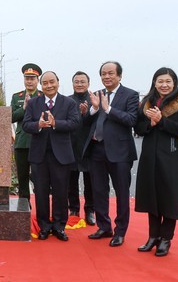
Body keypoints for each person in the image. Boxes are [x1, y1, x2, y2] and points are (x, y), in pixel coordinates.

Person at [134, 68, 178, 256]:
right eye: (160, 81)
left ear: (174, 82)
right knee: (151, 194)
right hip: (150, 155)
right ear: (154, 82)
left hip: (171, 154)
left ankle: (166, 238)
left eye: (168, 81)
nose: (164, 85)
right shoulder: (147, 102)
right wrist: (149, 124)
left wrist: (161, 121)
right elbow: (139, 128)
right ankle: (153, 236)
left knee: (169, 196)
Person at [84, 61, 138, 247]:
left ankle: (120, 231)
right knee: (99, 190)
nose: (107, 77)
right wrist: (93, 109)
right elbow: (86, 122)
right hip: (96, 149)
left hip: (120, 152)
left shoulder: (130, 95)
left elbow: (131, 119)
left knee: (122, 192)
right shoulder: (97, 94)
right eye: (103, 74)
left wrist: (108, 109)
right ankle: (104, 226)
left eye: (111, 73)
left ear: (120, 76)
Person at [23, 71, 80, 241]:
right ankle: (44, 226)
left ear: (58, 82)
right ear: (41, 85)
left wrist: (56, 124)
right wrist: (38, 125)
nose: (49, 86)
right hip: (39, 155)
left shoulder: (68, 102)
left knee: (61, 192)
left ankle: (59, 226)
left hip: (60, 155)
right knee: (40, 192)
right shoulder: (34, 103)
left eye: (52, 82)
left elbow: (75, 123)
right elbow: (26, 124)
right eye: (45, 83)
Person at [11, 63, 43, 203]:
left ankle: (41, 204)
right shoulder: (16, 96)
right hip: (22, 142)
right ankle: (24, 205)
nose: (29, 81)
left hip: (39, 141)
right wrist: (24, 108)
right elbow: (10, 117)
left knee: (39, 177)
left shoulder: (43, 96)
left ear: (38, 80)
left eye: (32, 78)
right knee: (22, 176)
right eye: (27, 78)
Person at [68, 71, 95, 226]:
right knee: (71, 180)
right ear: (73, 84)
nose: (79, 84)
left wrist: (87, 112)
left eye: (82, 81)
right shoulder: (67, 101)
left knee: (90, 180)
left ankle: (90, 210)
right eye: (76, 81)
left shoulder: (93, 100)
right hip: (70, 145)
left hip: (89, 146)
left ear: (88, 84)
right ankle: (73, 209)